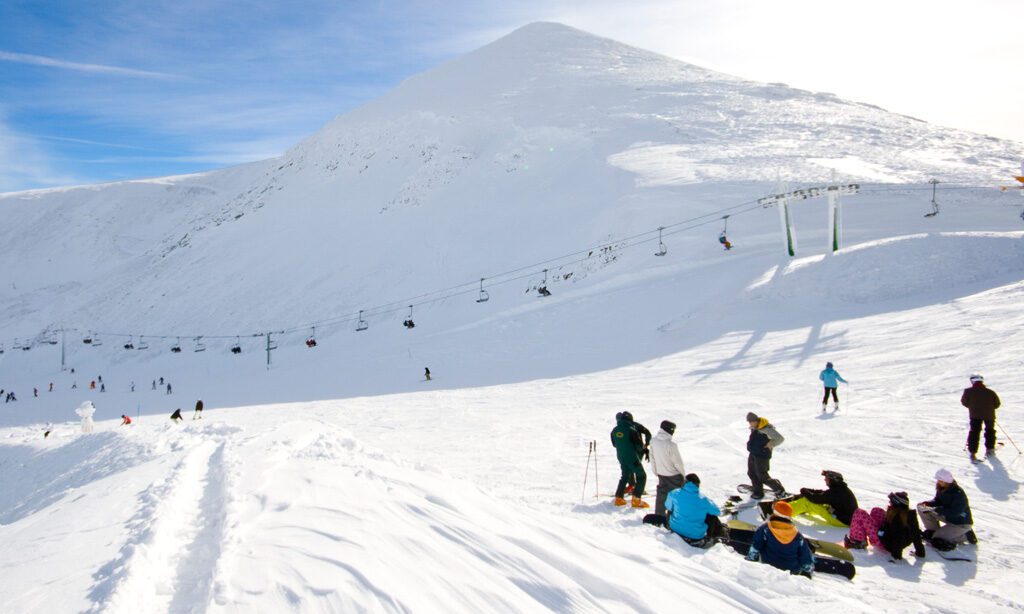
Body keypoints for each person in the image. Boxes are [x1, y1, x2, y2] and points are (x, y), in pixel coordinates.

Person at [846, 491, 926, 560]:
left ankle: (858, 542)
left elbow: (898, 537)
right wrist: (920, 552)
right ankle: (863, 537)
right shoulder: (908, 515)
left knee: (860, 513)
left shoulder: (897, 518)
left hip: (886, 543)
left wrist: (896, 557)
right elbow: (915, 534)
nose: (889, 503)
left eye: (891, 502)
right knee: (877, 510)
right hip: (887, 536)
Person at [764, 470, 858, 527]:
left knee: (807, 502)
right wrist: (809, 491)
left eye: (827, 478)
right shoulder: (840, 489)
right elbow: (823, 494)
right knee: (818, 502)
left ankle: (780, 513)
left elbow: (816, 499)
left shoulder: (836, 492)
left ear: (833, 480)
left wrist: (805, 492)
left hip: (841, 521)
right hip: (844, 518)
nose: (825, 480)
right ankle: (801, 509)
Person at [745, 500, 814, 577]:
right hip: (792, 571)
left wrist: (750, 560)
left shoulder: (765, 529)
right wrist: (808, 570)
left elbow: (756, 546)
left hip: (769, 568)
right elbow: (805, 555)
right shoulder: (797, 535)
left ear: (775, 512)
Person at [917, 468, 975, 550]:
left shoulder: (958, 493)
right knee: (922, 509)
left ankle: (965, 535)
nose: (938, 482)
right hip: (949, 517)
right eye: (938, 480)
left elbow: (955, 512)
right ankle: (932, 531)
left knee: (937, 539)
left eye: (941, 481)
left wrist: (936, 509)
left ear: (947, 481)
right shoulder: (942, 488)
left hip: (960, 523)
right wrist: (927, 504)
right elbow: (937, 501)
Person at [664, 473, 724, 548]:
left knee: (672, 509)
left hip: (675, 530)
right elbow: (717, 512)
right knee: (711, 515)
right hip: (695, 538)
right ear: (698, 485)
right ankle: (716, 537)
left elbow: (667, 506)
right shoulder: (703, 499)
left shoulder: (674, 493)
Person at [611, 411, 650, 508]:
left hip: (621, 457)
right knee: (641, 476)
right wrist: (644, 449)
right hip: (632, 457)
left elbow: (614, 444)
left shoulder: (614, 430)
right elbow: (639, 446)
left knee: (625, 476)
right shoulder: (632, 430)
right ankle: (636, 499)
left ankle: (619, 498)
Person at [650, 420, 686, 516]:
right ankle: (676, 516)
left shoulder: (653, 441)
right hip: (674, 475)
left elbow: (652, 458)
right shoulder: (671, 445)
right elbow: (678, 463)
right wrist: (683, 476)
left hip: (661, 474)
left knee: (661, 495)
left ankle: (659, 515)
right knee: (677, 497)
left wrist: (656, 472)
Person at [745, 412, 786, 499]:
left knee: (762, 475)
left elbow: (780, 438)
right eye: (749, 421)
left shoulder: (767, 428)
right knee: (752, 473)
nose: (750, 423)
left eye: (751, 421)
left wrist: (770, 444)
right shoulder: (755, 428)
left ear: (756, 420)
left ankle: (779, 489)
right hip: (753, 454)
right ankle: (758, 492)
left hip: (762, 455)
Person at [961, 374, 1001, 461]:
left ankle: (973, 452)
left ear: (972, 381)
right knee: (990, 431)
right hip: (989, 415)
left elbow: (964, 402)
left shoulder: (968, 391)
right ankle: (990, 449)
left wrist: (973, 407)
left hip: (975, 415)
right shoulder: (990, 392)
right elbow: (997, 404)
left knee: (974, 432)